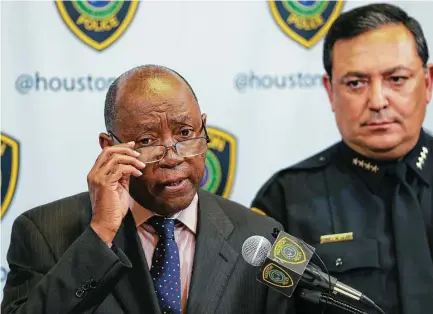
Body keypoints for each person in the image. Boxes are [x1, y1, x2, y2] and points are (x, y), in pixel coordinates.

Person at [1, 65, 293, 314]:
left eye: (185, 133)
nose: (172, 157)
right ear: (109, 148)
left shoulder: (260, 238)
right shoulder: (43, 233)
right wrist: (100, 234)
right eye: (146, 141)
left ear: (203, 128)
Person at [251, 3, 433, 314]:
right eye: (355, 83)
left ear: (427, 83)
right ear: (330, 91)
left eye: (397, 79)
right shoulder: (287, 200)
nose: (377, 101)